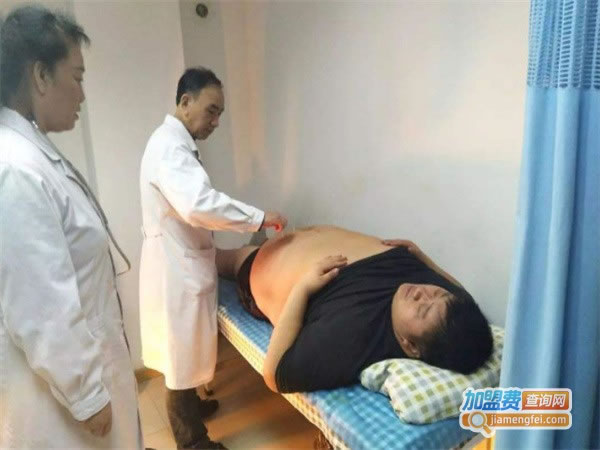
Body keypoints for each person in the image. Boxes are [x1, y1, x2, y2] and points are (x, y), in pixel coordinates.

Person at [0, 6, 142, 448]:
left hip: (87, 370)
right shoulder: (15, 169)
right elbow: (39, 307)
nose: (81, 94)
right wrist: (87, 397)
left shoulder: (32, 153)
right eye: (76, 78)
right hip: (65, 402)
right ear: (41, 75)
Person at [139, 67, 287, 449]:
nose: (216, 121)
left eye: (220, 113)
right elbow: (197, 204)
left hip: (182, 259)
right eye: (211, 110)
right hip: (176, 267)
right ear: (185, 101)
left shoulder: (176, 145)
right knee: (179, 358)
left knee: (183, 355)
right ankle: (193, 442)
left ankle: (191, 409)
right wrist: (258, 217)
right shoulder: (170, 148)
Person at [216, 225, 494, 393]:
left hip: (257, 266)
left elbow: (274, 375)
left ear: (410, 347)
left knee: (218, 259)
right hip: (295, 238)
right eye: (437, 294)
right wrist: (424, 258)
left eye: (422, 310)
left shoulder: (352, 336)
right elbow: (461, 293)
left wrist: (303, 288)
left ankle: (234, 255)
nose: (422, 293)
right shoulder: (451, 307)